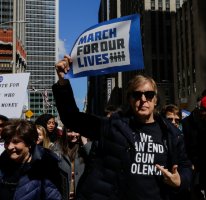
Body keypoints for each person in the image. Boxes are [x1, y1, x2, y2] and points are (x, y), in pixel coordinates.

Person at [52, 55, 192, 200]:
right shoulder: (112, 126)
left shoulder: (171, 133)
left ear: (155, 100)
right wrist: (62, 82)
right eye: (137, 95)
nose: (143, 100)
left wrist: (180, 180)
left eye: (149, 95)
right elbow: (72, 119)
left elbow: (185, 166)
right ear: (129, 99)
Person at [0, 119, 62, 200]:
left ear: (29, 143)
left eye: (16, 142)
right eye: (7, 142)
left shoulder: (46, 165)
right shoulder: (2, 162)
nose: (9, 147)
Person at [51, 127, 91, 200]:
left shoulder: (86, 148)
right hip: (62, 195)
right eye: (69, 131)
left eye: (76, 131)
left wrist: (85, 143)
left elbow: (95, 161)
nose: (73, 134)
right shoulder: (56, 148)